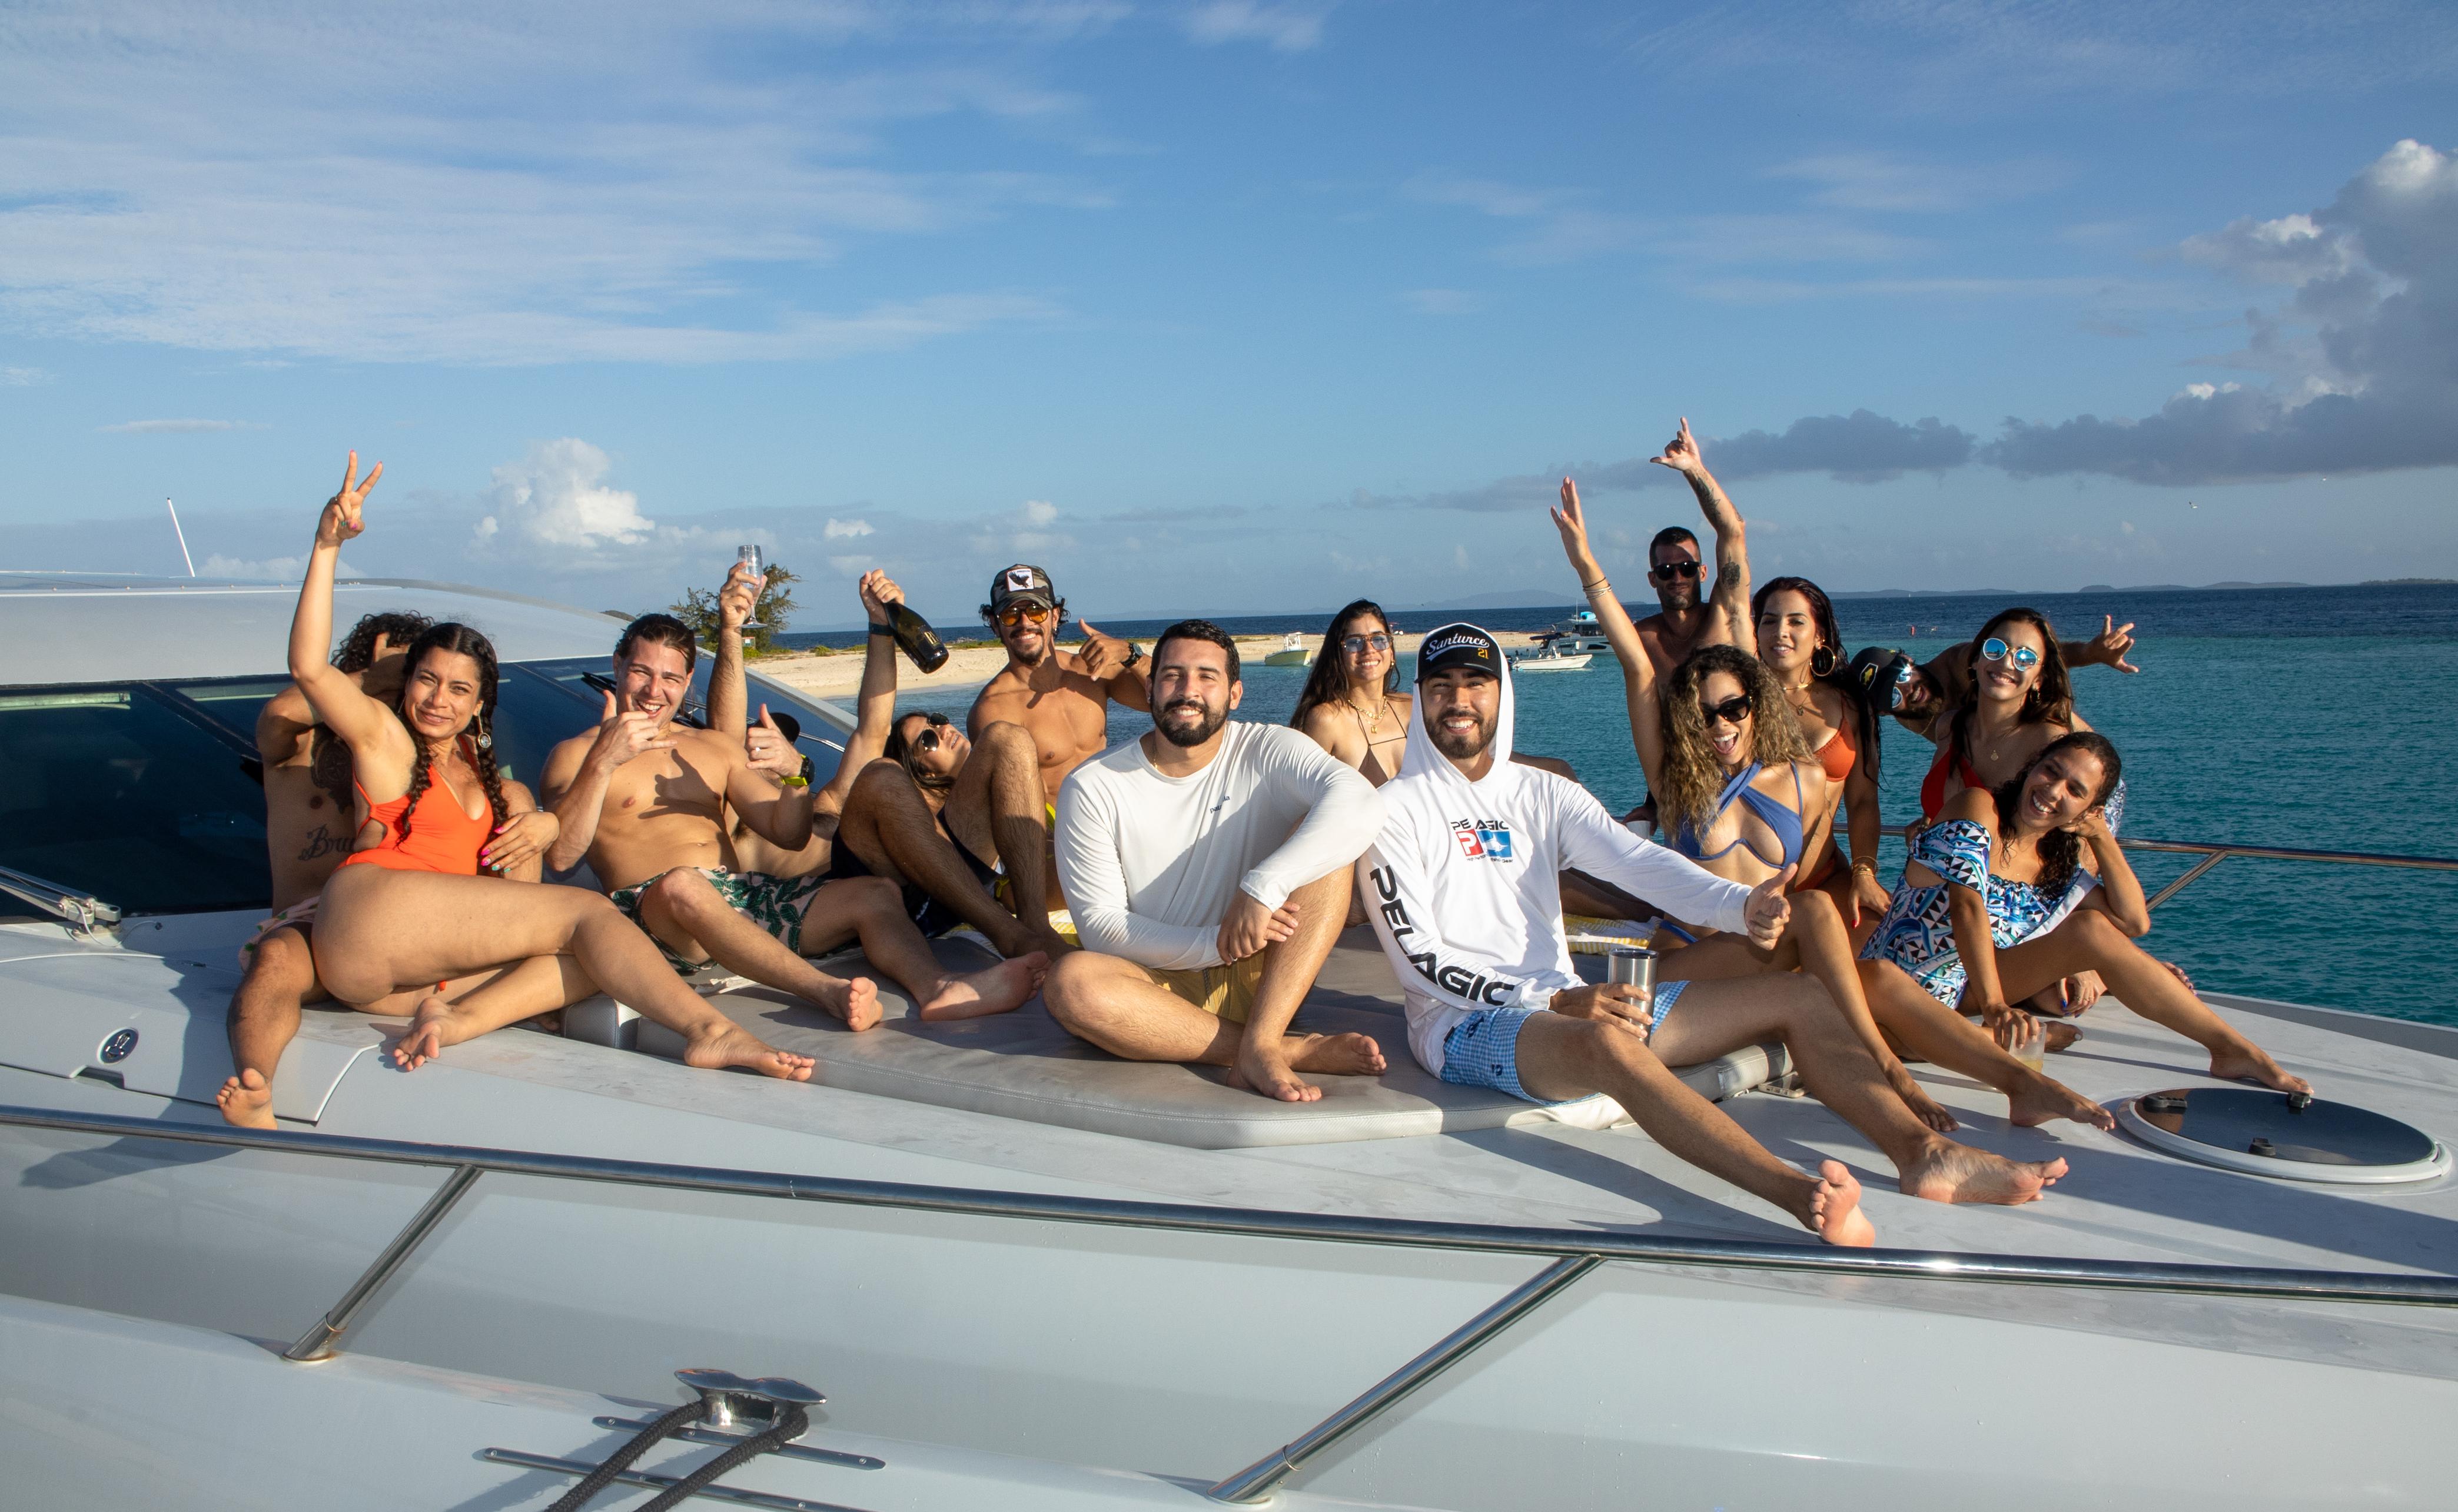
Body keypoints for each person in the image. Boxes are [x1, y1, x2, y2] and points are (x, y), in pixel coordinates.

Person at [1360, 625, 2071, 1247]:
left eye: (1476, 683)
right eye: (1441, 684)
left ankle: (1923, 1154)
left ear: (1502, 693)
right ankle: (1801, 1195)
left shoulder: (1538, 793)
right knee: (1606, 1041)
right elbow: (1421, 960)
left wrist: (1741, 907)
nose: (1459, 700)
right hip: (1466, 1025)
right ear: (1419, 698)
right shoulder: (1392, 810)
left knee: (1799, 995)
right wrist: (1544, 1002)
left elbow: (1640, 863)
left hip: (1566, 1002)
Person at [279, 452, 815, 1081]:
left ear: (480, 707)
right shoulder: (386, 741)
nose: (436, 699)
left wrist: (539, 821)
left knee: (596, 956)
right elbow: (310, 669)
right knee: (593, 917)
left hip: (400, 968)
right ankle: (707, 1029)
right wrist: (326, 547)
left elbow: (537, 866)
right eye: (426, 680)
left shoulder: (493, 784)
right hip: (370, 918)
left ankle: (460, 1020)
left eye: (457, 690)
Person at [1552, 478, 1957, 1132]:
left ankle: (1957, 1064)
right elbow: (1635, 662)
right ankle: (1887, 1065)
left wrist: (1868, 867)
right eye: (1703, 711)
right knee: (1817, 917)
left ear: (1753, 704)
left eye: (1734, 707)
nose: (1719, 723)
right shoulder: (1677, 778)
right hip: (1687, 963)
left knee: (1833, 926)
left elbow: (1853, 807)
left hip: (1761, 950)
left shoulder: (1799, 775)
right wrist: (1586, 562)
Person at [530, 563, 1047, 1031]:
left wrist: (797, 775)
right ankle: (827, 990)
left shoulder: (709, 752)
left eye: (669, 677)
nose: (653, 690)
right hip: (664, 913)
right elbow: (561, 853)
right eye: (642, 672)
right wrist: (605, 759)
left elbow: (791, 824)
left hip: (750, 899)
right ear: (618, 665)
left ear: (688, 681)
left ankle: (940, 986)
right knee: (684, 886)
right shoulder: (577, 755)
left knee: (875, 894)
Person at [1044, 620, 1390, 1102]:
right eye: (1173, 676)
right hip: (1153, 986)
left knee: (1329, 843)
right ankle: (1276, 1049)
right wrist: (1214, 943)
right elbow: (1103, 927)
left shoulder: (1268, 748)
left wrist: (1261, 887)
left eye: (1207, 676)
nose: (1189, 691)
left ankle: (1263, 1035)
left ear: (1235, 693)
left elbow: (1361, 802)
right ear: (1149, 688)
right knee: (1072, 984)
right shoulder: (1095, 784)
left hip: (1266, 978)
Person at [1860, 732, 2308, 1095]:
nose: (2053, 791)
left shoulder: (2055, 869)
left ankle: (2230, 1048)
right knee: (1912, 1033)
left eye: (2075, 790)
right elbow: (1967, 906)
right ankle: (1997, 1037)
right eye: (2050, 771)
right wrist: (1997, 1005)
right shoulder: (1978, 807)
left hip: (1962, 991)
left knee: (2093, 928)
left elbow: (2134, 922)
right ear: (2032, 766)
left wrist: (2099, 837)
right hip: (1895, 987)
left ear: (2088, 808)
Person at [217, 609, 431, 1127]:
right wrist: (367, 681)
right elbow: (276, 717)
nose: (411, 682)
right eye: (408, 668)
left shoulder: (425, 748)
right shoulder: (298, 741)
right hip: (310, 929)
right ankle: (255, 1085)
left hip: (398, 927)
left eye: (418, 670)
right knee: (272, 962)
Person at [1752, 576, 1891, 937]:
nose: (1780, 631)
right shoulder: (1736, 705)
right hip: (1749, 888)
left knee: (1883, 942)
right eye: (1769, 621)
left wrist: (1864, 872)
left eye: (1796, 621)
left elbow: (1862, 801)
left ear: (1820, 636)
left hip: (1826, 878)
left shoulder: (1851, 705)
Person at [967, 563, 1150, 797]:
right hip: (1057, 832)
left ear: (1054, 617)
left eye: (1036, 611)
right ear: (995, 625)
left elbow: (1172, 700)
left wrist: (1130, 655)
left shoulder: (1091, 671)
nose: (1025, 623)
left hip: (1115, 815)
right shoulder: (993, 710)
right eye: (1010, 615)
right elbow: (1010, 804)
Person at [1628, 418, 1752, 677]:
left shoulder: (1727, 618)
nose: (1677, 578)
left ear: (1703, 572)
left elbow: (1733, 531)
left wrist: (1693, 469)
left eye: (1687, 568)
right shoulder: (1642, 638)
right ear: (1652, 578)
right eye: (1665, 571)